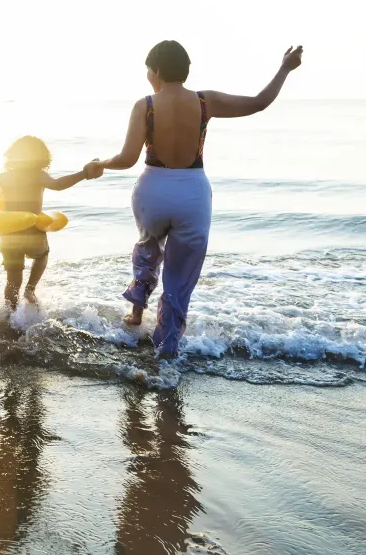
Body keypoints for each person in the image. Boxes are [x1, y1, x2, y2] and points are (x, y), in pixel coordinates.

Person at [86, 42, 303, 356]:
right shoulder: (206, 101)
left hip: (153, 190)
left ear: (157, 70)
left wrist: (101, 164)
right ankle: (168, 347)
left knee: (148, 245)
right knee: (179, 275)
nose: (147, 75)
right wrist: (284, 68)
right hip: (192, 194)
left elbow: (128, 158)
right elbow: (258, 103)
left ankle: (136, 314)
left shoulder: (144, 105)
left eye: (148, 69)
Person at [0, 136, 99, 310]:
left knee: (12, 281)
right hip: (33, 233)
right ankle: (30, 290)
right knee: (42, 254)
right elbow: (59, 184)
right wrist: (84, 174)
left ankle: (9, 315)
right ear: (41, 157)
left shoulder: (3, 177)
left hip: (9, 236)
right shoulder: (39, 175)